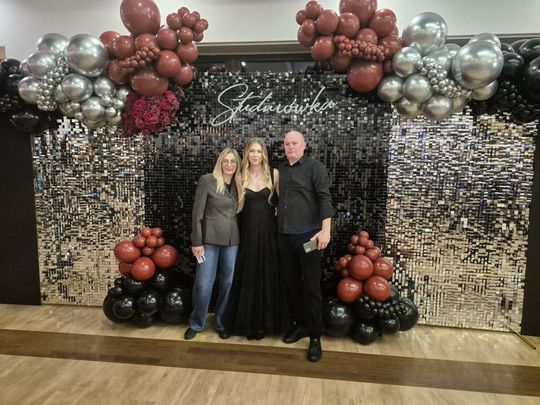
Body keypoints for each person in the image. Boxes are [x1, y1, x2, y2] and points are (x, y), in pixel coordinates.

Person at [223, 138, 292, 340]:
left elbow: (283, 202)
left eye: (259, 151)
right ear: (247, 154)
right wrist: (221, 220)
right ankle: (248, 323)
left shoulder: (274, 174)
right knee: (249, 274)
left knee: (269, 274)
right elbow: (240, 206)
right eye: (252, 151)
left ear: (264, 154)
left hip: (269, 232)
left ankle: (266, 324)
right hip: (248, 231)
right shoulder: (240, 177)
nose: (255, 155)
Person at [277, 130, 335, 362]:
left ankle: (315, 336)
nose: (291, 147)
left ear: (304, 145)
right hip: (284, 237)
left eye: (295, 143)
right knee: (291, 284)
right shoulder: (280, 168)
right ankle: (301, 325)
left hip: (309, 238)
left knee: (311, 286)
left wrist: (326, 230)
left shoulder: (315, 168)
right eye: (287, 143)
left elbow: (324, 198)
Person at [185, 147, 241, 340]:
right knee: (203, 283)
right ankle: (196, 323)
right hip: (208, 241)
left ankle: (221, 322)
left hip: (232, 240)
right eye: (225, 161)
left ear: (238, 164)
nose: (229, 165)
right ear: (220, 162)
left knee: (229, 282)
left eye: (233, 161)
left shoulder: (240, 183)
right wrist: (197, 242)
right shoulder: (208, 180)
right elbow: (197, 214)